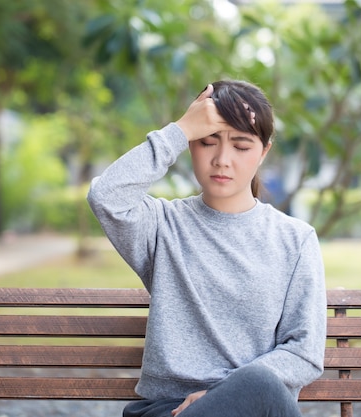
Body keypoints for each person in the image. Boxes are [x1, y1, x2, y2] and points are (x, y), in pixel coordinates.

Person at [87, 80, 326, 417]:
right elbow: (106, 197)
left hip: (254, 408)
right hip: (168, 412)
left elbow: (304, 352)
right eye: (207, 141)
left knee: (259, 384)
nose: (222, 160)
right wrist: (180, 129)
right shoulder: (163, 225)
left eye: (241, 146)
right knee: (258, 384)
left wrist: (223, 396)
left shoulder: (295, 240)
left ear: (264, 152)